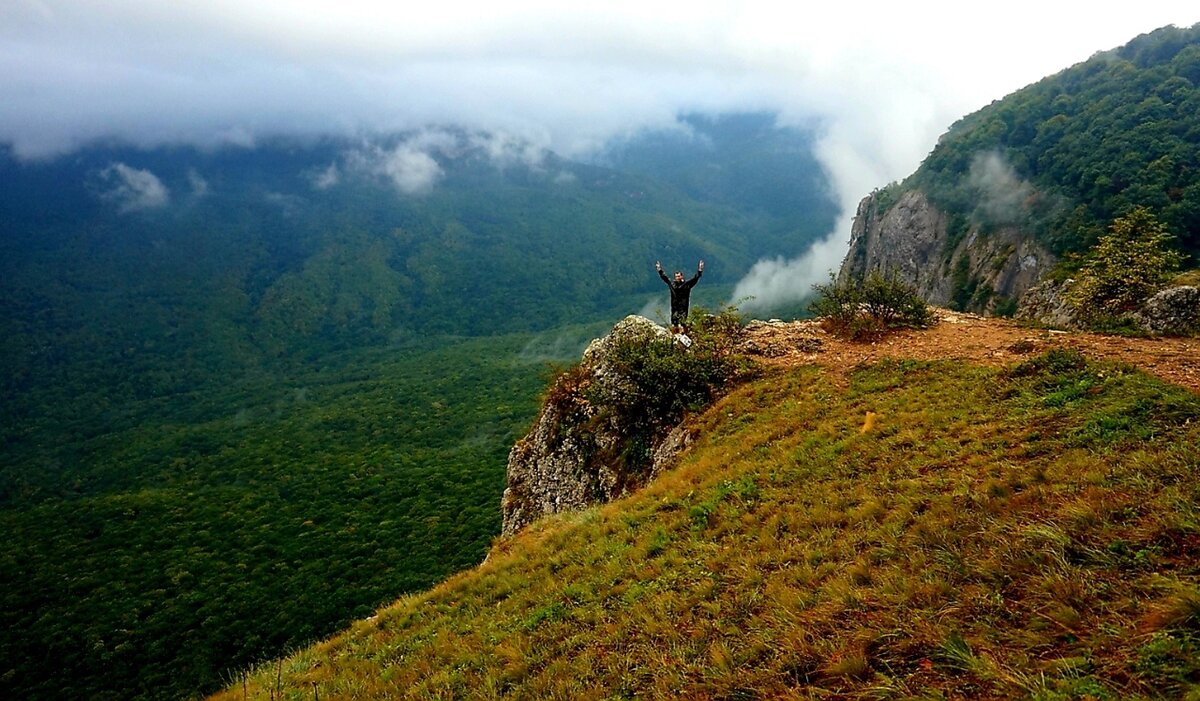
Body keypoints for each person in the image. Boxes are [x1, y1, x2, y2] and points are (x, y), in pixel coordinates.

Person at [656, 259, 704, 328]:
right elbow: (665, 278)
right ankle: (675, 335)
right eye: (676, 277)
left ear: (681, 276)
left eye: (678, 276)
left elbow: (695, 279)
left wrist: (700, 270)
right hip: (675, 306)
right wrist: (659, 270)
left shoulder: (686, 285)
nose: (677, 278)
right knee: (675, 322)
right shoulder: (673, 284)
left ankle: (684, 335)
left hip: (683, 306)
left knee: (683, 322)